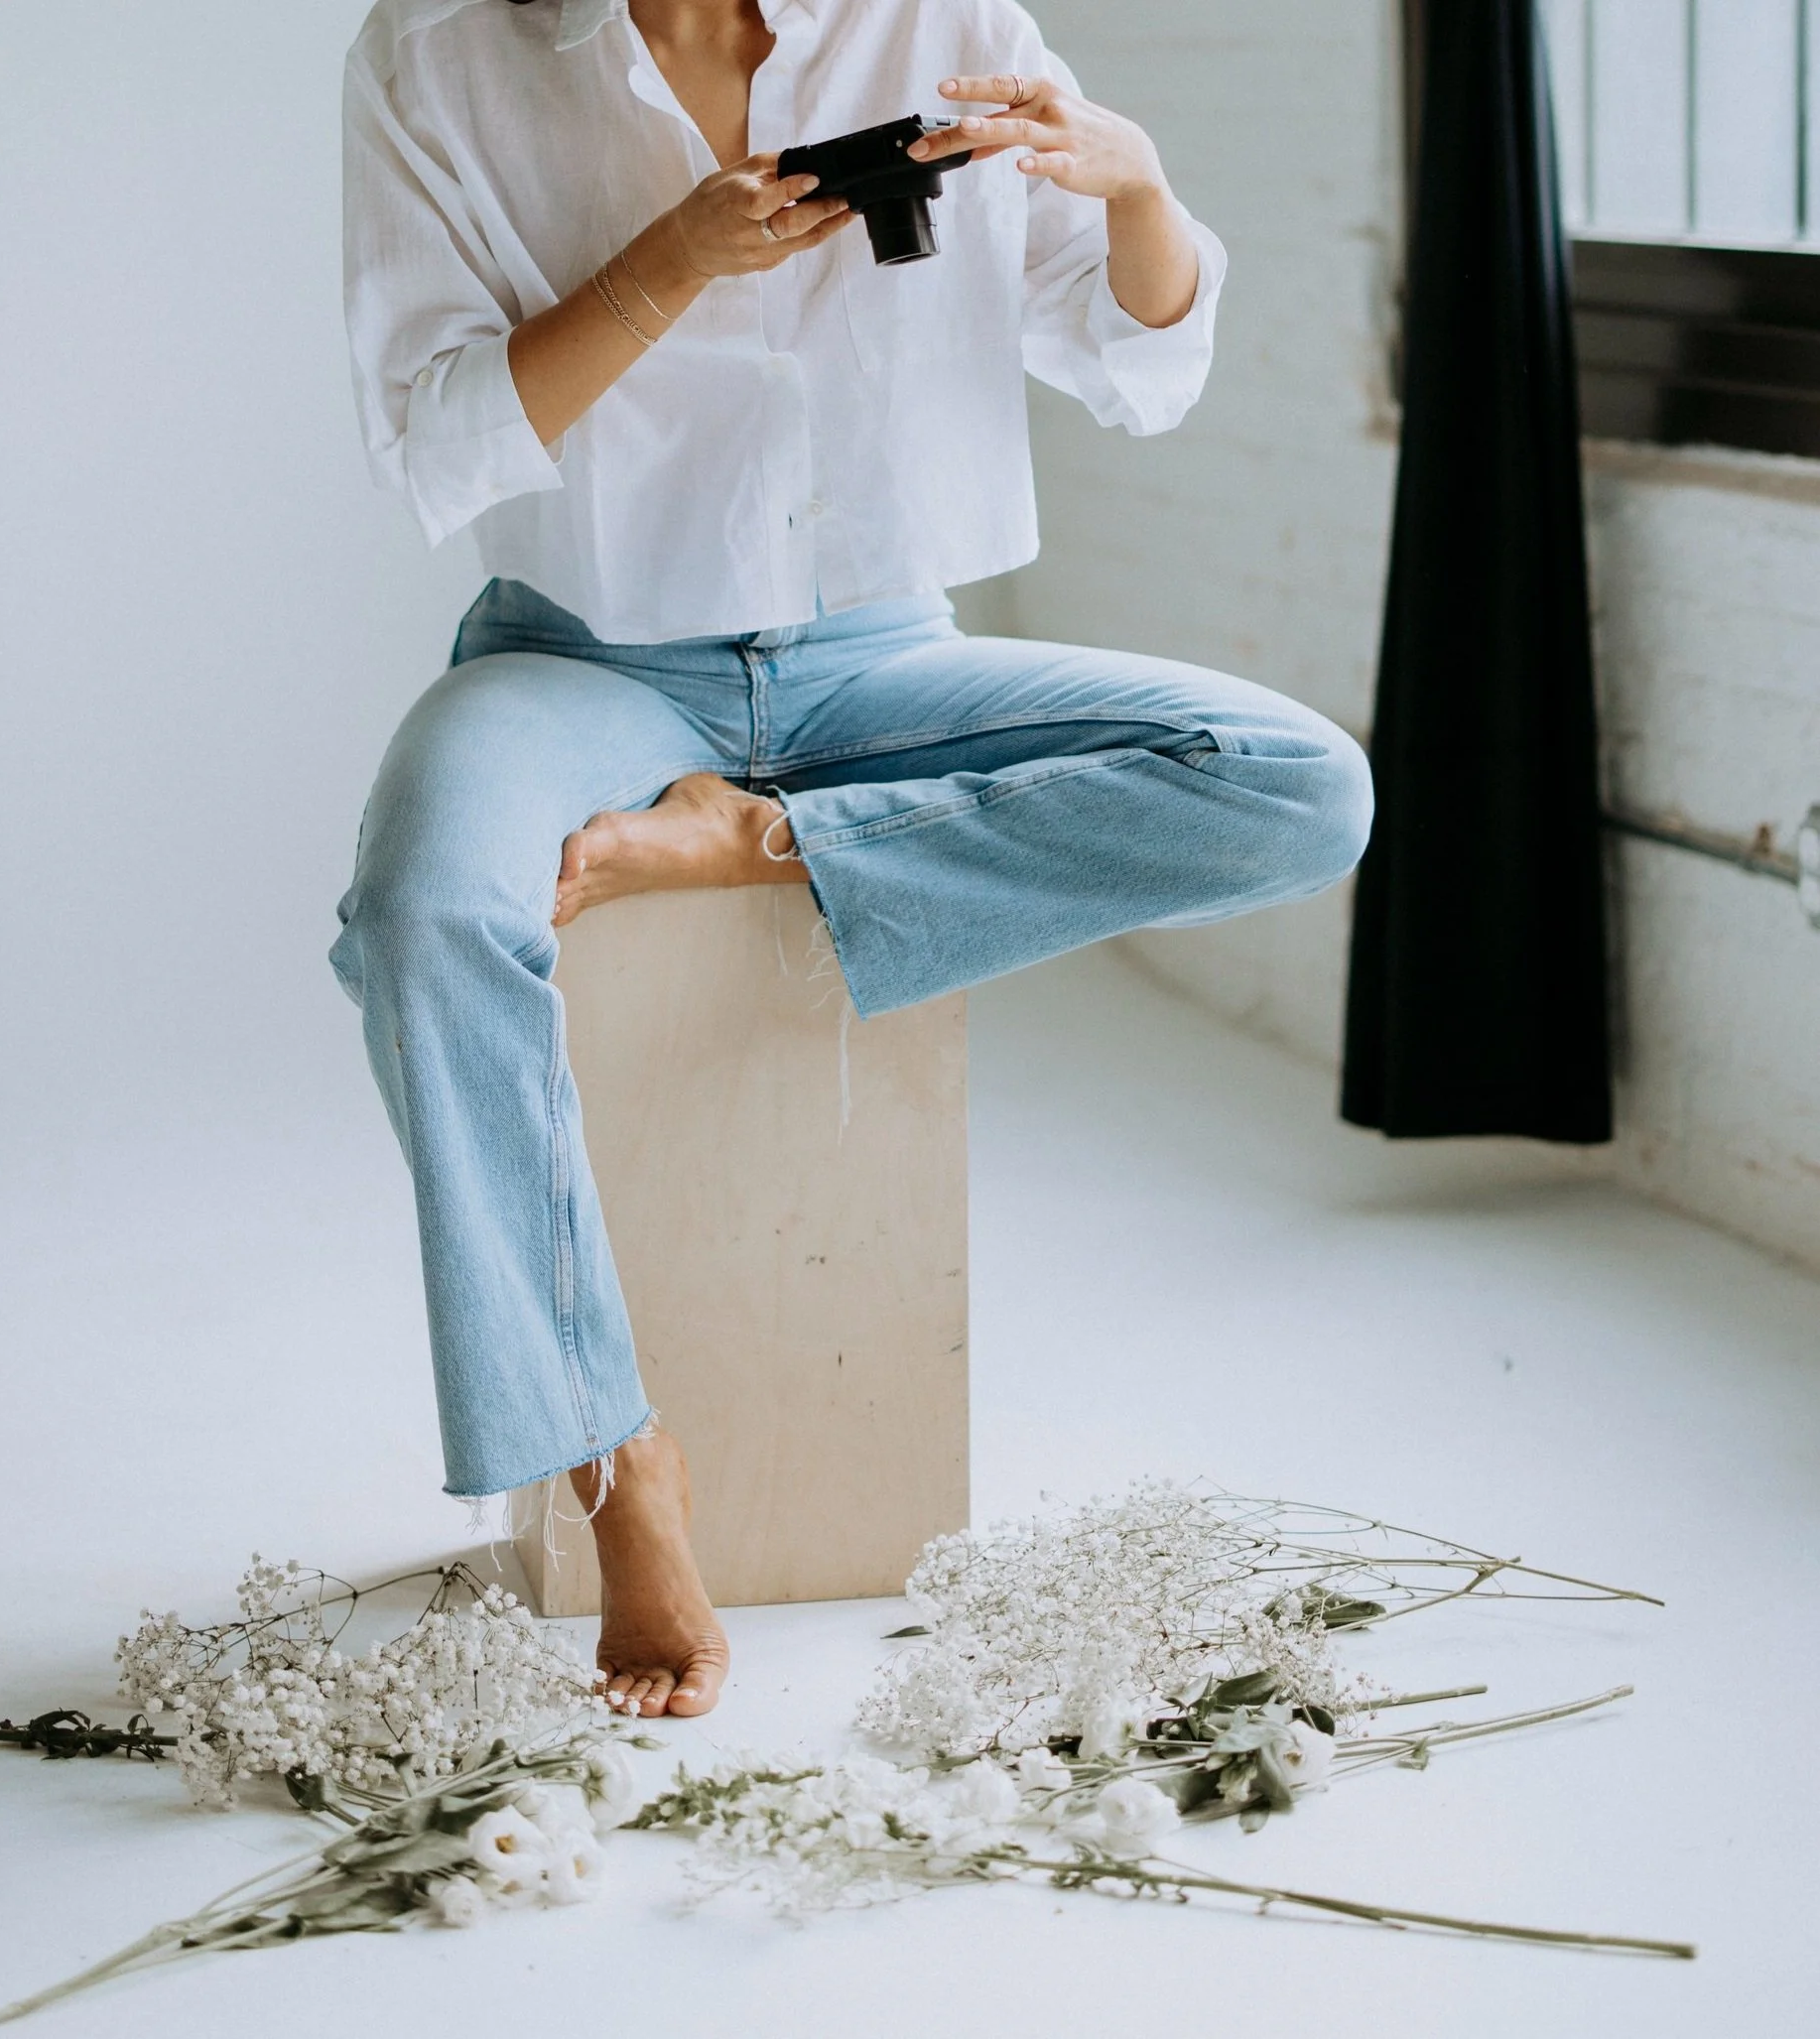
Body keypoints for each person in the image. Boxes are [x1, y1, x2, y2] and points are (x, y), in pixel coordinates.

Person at [331, 0, 1373, 1720]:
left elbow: (1136, 364)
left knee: (1296, 780)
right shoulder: (431, 56)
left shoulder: (941, 17)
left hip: (880, 654)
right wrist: (667, 263)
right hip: (577, 655)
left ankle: (764, 837)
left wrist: (1136, 193)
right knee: (424, 903)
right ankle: (611, 1461)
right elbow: (431, 440)